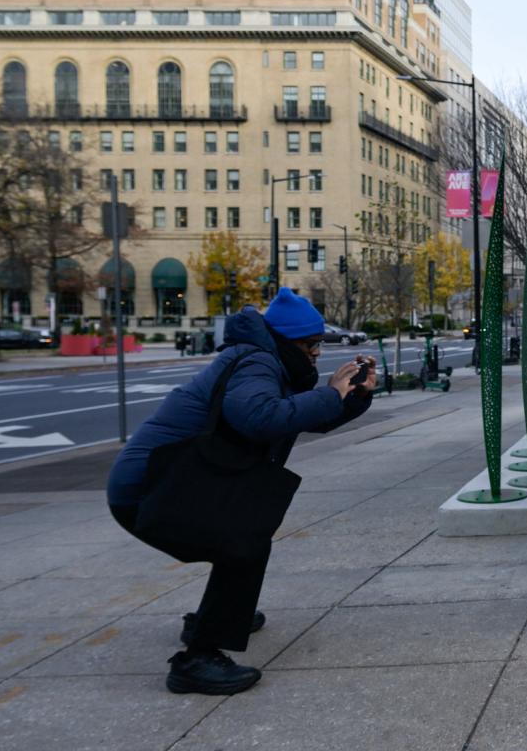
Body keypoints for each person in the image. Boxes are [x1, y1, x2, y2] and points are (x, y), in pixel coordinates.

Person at [107, 288, 376, 695]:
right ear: (288, 342)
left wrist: (353, 398)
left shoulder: (268, 363)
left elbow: (297, 417)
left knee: (241, 538)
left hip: (169, 481)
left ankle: (211, 618)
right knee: (242, 544)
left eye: (319, 344)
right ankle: (197, 659)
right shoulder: (255, 362)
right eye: (311, 345)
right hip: (149, 488)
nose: (317, 354)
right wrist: (329, 392)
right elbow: (262, 418)